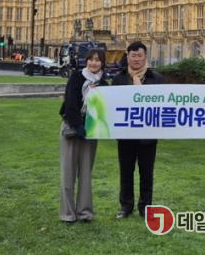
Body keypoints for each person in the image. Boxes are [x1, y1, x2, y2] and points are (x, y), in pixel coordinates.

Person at [112, 41, 165, 219]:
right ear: (127, 57)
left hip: (148, 135)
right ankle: (126, 206)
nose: (136, 59)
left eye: (139, 56)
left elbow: (164, 104)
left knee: (146, 173)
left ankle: (145, 207)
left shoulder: (156, 79)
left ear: (145, 57)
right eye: (133, 56)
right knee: (126, 172)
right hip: (125, 134)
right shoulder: (119, 79)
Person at [58, 48, 107, 224]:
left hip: (91, 130)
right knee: (68, 172)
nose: (94, 63)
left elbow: (105, 109)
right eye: (91, 59)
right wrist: (78, 125)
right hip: (72, 128)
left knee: (86, 173)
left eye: (97, 60)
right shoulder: (76, 78)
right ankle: (68, 214)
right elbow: (70, 102)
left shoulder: (104, 84)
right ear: (86, 61)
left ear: (102, 63)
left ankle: (85, 212)